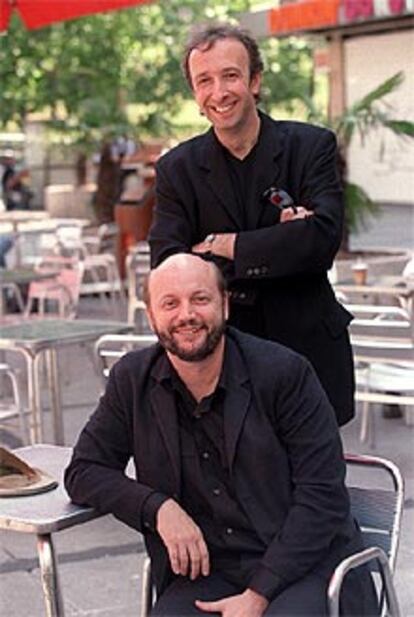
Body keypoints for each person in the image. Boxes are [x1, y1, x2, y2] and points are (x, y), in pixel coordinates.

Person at [65, 254, 378, 616]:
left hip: (309, 567)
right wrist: (158, 509)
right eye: (170, 303)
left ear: (225, 305)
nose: (187, 315)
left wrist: (258, 594)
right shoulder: (132, 380)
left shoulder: (286, 374)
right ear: (151, 317)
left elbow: (323, 497)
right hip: (210, 574)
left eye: (200, 299)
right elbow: (84, 470)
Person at [149, 24, 354, 427]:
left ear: (254, 80)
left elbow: (323, 241)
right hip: (222, 358)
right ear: (195, 94)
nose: (219, 92)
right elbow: (169, 265)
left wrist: (224, 247)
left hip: (309, 352)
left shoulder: (311, 147)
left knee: (315, 486)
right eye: (204, 80)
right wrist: (282, 242)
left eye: (230, 75)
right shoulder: (177, 169)